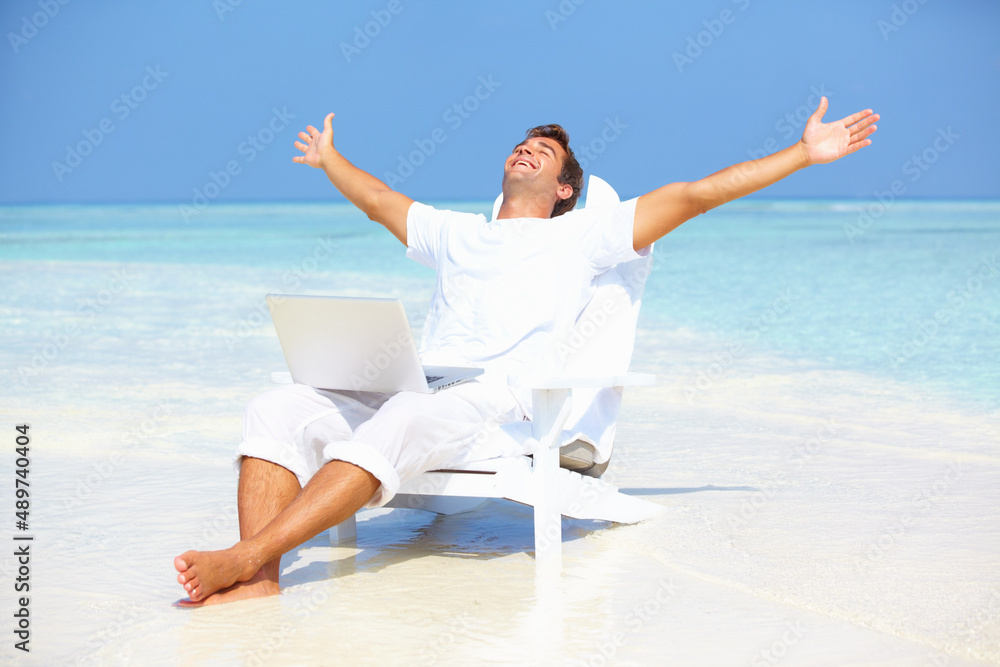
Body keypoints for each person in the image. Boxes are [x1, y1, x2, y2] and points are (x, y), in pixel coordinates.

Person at [174, 97, 877, 606]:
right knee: (276, 404)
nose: (526, 150)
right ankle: (258, 585)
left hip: (494, 402)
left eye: (544, 153)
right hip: (418, 382)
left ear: (564, 188)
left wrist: (803, 154)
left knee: (403, 419)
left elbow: (694, 195)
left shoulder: (584, 236)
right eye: (522, 144)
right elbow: (380, 200)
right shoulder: (455, 233)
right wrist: (330, 160)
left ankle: (247, 555)